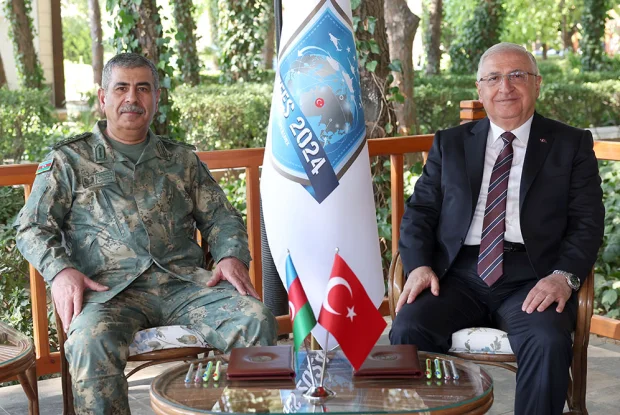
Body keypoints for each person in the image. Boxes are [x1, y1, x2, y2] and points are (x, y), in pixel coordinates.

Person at [14, 53, 277, 414]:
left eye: (142, 89)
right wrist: (60, 271)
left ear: (156, 97)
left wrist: (230, 255)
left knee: (255, 319)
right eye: (121, 88)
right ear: (103, 97)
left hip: (184, 285)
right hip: (109, 293)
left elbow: (222, 216)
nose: (132, 98)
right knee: (91, 342)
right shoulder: (69, 161)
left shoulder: (180, 160)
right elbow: (31, 226)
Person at [390, 42, 604, 415]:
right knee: (409, 328)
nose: (505, 87)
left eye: (517, 75)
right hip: (456, 275)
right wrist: (420, 265)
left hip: (533, 276)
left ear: (537, 83)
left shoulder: (570, 144)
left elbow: (587, 221)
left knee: (546, 338)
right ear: (480, 89)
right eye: (493, 78)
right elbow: (420, 212)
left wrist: (563, 276)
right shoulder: (450, 143)